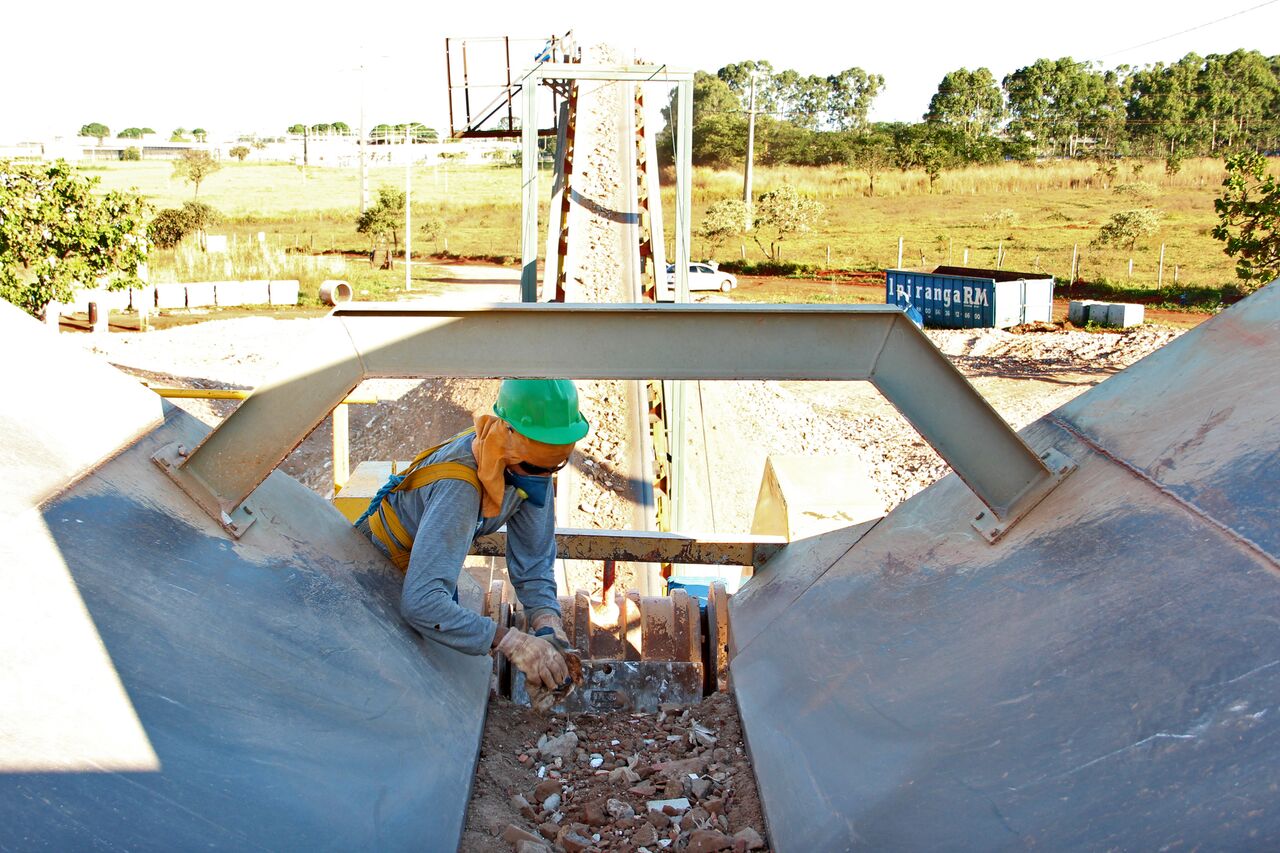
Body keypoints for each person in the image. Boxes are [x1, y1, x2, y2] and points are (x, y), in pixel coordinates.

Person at [354, 378, 589, 696]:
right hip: (373, 571)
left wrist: (549, 624)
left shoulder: (527, 466)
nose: (542, 479)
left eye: (554, 466)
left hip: (422, 570)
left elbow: (533, 561)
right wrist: (511, 641)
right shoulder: (461, 486)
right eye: (535, 467)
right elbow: (422, 603)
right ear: (509, 438)